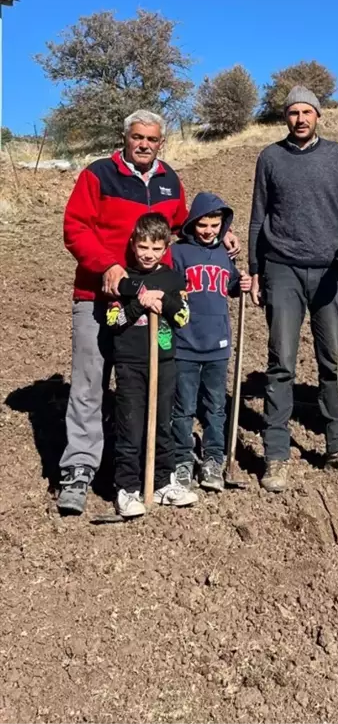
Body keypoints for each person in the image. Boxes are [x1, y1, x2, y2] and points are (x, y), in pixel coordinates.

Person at [58, 109, 240, 516]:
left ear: (161, 142)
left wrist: (220, 234)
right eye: (137, 137)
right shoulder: (99, 175)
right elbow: (75, 227)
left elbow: (183, 224)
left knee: (146, 387)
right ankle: (79, 469)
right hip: (98, 295)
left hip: (150, 307)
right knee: (90, 384)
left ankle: (145, 474)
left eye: (152, 139)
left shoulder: (169, 181)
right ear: (125, 138)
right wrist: (107, 265)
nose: (144, 144)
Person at [249, 86, 338, 493]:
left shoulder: (337, 155)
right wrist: (254, 271)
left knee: (332, 362)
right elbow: (256, 218)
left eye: (307, 112)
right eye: (293, 113)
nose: (300, 119)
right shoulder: (270, 157)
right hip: (281, 269)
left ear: (318, 116)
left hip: (330, 271)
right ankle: (276, 455)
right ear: (285, 117)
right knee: (281, 362)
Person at [105, 213, 196, 517]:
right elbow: (114, 321)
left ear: (165, 248)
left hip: (165, 361)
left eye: (156, 249)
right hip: (131, 364)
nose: (148, 254)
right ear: (133, 244)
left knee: (162, 426)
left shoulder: (171, 278)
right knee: (130, 428)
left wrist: (164, 301)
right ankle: (127, 488)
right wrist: (139, 303)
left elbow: (183, 317)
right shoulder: (124, 280)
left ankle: (162, 482)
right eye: (143, 246)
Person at [171, 192, 252, 492]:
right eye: (203, 224)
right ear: (193, 223)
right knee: (183, 407)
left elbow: (230, 285)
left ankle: (213, 459)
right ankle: (181, 459)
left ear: (223, 225)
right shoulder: (178, 254)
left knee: (216, 406)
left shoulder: (223, 255)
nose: (208, 231)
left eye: (215, 225)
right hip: (185, 344)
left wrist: (240, 283)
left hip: (218, 345)